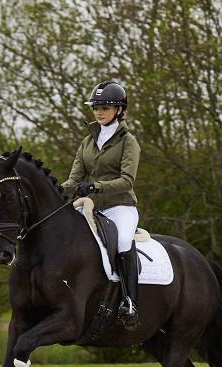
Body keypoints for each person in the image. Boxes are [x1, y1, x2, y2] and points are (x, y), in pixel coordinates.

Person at [61, 81, 141, 331]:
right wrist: (53, 190)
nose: (98, 112)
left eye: (104, 107)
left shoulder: (129, 142)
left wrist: (95, 187)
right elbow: (74, 180)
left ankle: (130, 302)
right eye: (95, 107)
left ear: (118, 111)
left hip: (120, 207)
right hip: (91, 208)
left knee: (124, 242)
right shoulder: (87, 142)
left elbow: (127, 181)